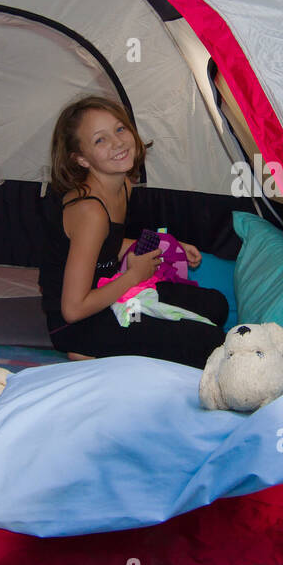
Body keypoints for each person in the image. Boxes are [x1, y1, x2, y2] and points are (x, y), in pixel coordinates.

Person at [40, 95, 229, 367]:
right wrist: (133, 276)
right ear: (81, 159)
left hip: (114, 294)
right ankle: (88, 351)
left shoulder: (124, 185)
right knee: (209, 343)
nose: (117, 142)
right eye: (99, 140)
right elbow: (72, 310)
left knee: (216, 305)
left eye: (119, 129)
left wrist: (167, 246)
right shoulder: (90, 211)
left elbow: (108, 245)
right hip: (80, 323)